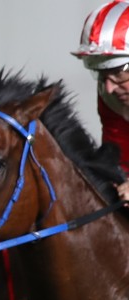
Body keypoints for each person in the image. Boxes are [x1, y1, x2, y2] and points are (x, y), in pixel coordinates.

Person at [74, 1, 129, 201]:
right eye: (102, 75)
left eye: (117, 73)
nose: (109, 88)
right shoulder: (110, 95)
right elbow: (121, 161)